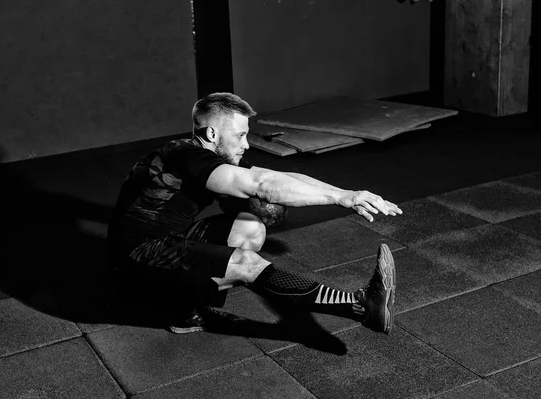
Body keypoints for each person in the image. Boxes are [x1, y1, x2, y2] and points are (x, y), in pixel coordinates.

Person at [107, 92, 402, 335]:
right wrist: (344, 198)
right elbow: (262, 185)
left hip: (167, 240)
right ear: (212, 133)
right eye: (241, 135)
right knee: (245, 263)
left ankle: (183, 308)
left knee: (250, 229)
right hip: (136, 260)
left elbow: (278, 175)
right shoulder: (184, 156)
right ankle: (361, 307)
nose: (246, 144)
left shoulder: (204, 153)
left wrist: (348, 193)